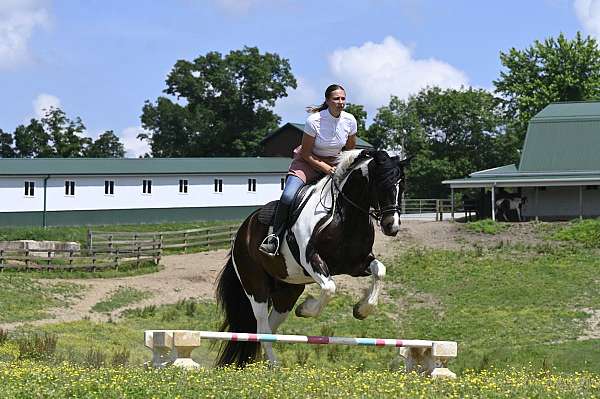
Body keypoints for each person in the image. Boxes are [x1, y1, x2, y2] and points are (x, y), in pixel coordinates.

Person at [259, 84, 357, 256]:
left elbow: (349, 152)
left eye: (343, 98)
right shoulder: (314, 121)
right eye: (336, 98)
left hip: (335, 166)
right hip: (307, 163)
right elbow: (305, 153)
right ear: (327, 101)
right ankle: (275, 237)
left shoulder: (350, 121)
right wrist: (326, 168)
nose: (340, 102)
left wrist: (340, 169)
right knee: (288, 196)